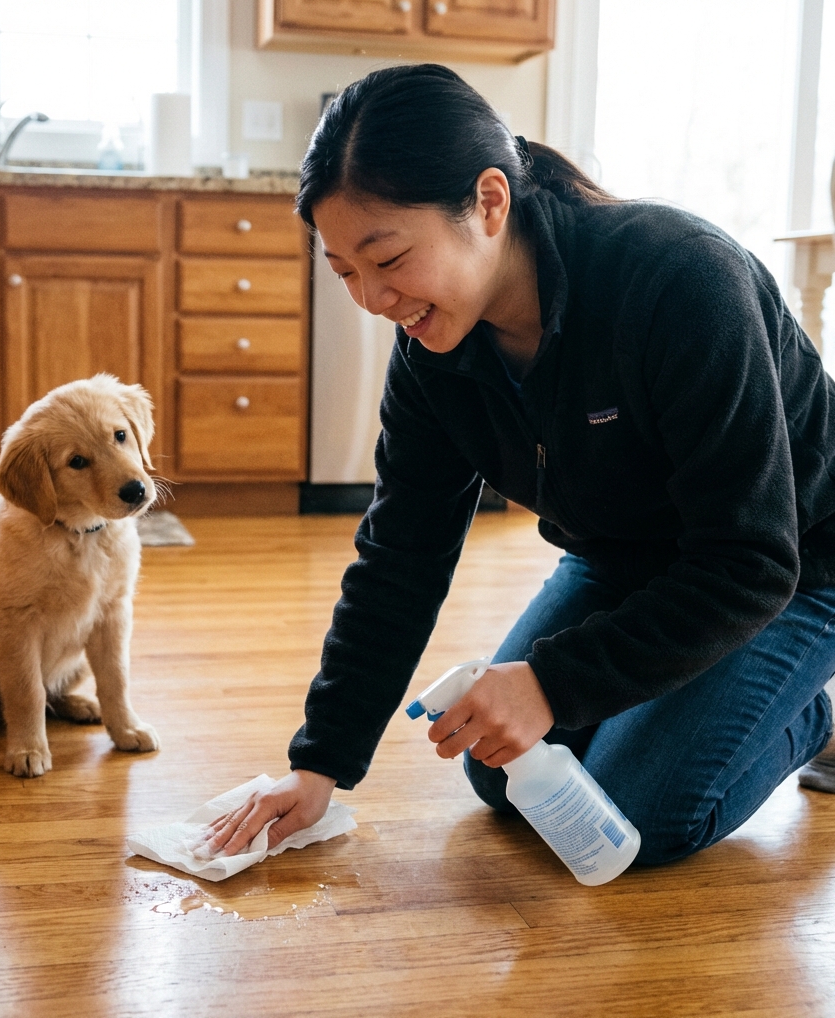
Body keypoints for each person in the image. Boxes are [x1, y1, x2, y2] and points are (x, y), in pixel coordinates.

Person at [206, 63, 835, 866]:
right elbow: (401, 556)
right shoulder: (434, 354)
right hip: (624, 560)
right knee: (503, 776)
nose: (371, 298)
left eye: (389, 259)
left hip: (795, 563)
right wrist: (320, 763)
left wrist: (552, 684)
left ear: (490, 202)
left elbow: (749, 559)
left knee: (639, 817)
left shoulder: (680, 280)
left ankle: (812, 710)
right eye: (344, 272)